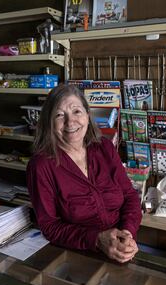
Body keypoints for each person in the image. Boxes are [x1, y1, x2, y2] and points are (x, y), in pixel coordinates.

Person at [27, 84, 142, 263]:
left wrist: (127, 233)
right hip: (76, 256)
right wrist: (97, 239)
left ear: (88, 115)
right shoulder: (41, 166)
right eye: (59, 115)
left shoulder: (104, 148)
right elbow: (50, 227)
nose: (70, 122)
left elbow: (129, 196)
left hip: (122, 250)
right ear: (49, 122)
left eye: (76, 112)